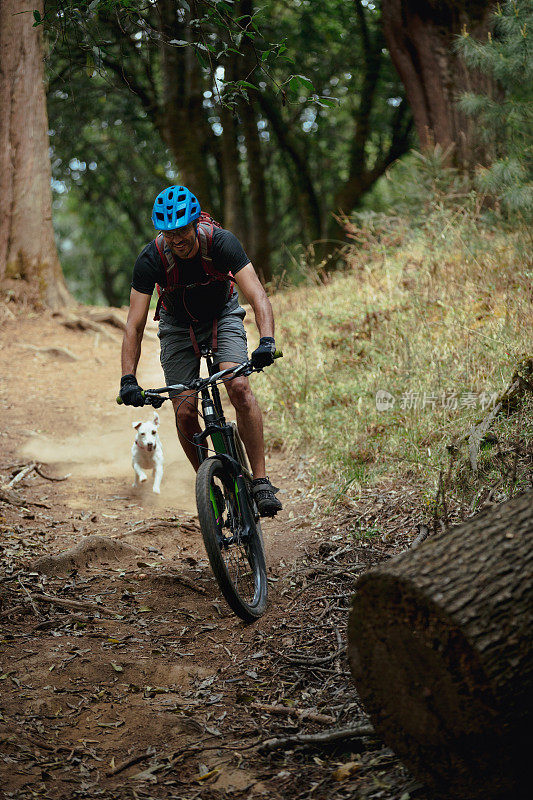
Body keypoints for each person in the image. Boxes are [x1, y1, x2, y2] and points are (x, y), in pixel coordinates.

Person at [119, 185, 282, 517]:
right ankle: (208, 483)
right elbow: (134, 325)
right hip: (177, 326)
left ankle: (262, 480)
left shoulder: (221, 243)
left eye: (182, 230)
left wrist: (267, 342)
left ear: (195, 224)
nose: (177, 239)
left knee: (238, 385)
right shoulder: (151, 258)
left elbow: (257, 295)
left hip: (222, 315)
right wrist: (128, 379)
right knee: (183, 411)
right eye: (169, 233)